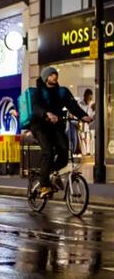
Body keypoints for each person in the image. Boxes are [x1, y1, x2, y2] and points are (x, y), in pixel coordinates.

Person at [31, 67, 93, 198]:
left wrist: (83, 116)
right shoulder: (38, 92)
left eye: (55, 74)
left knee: (65, 150)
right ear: (45, 78)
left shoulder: (62, 91)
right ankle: (44, 185)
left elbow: (73, 106)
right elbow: (36, 107)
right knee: (48, 151)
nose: (55, 76)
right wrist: (47, 113)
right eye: (52, 75)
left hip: (56, 126)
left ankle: (52, 172)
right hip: (40, 126)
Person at [78, 89, 95, 156]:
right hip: (82, 123)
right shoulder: (80, 104)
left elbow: (93, 114)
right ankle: (84, 152)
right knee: (83, 137)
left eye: (90, 98)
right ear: (85, 96)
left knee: (90, 137)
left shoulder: (92, 104)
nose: (90, 99)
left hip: (90, 123)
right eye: (88, 97)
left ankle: (90, 152)